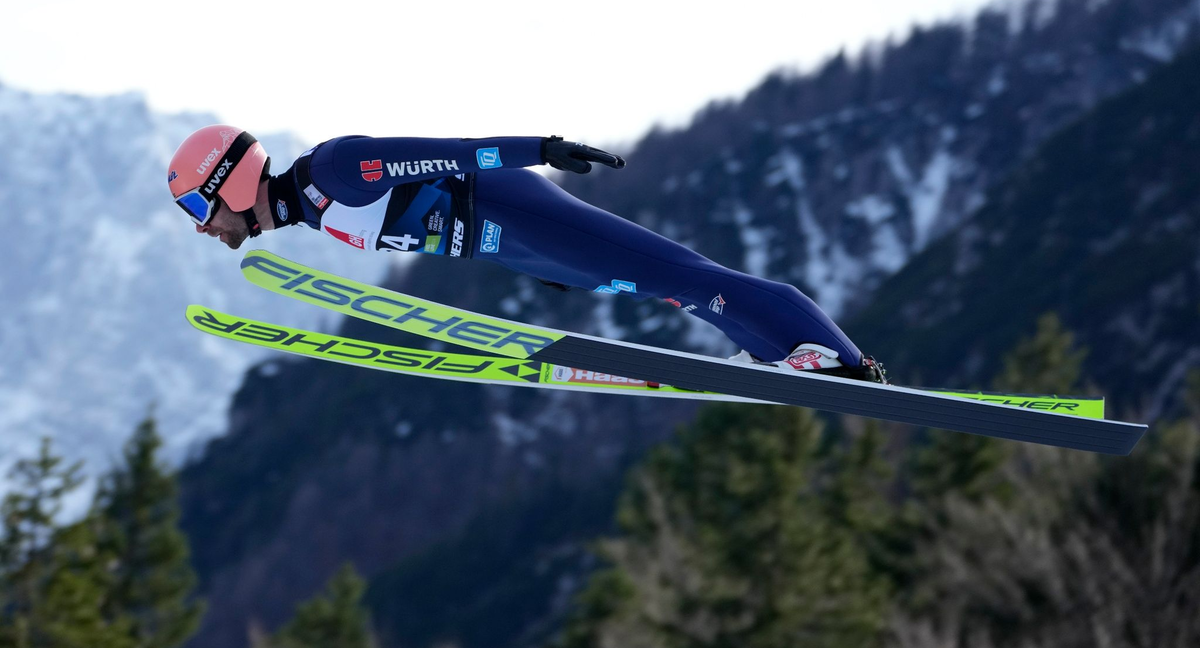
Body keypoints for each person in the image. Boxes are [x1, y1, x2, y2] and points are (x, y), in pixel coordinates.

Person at [168, 125, 886, 382]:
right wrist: (538, 268)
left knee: (682, 276)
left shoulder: (332, 170)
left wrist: (540, 148)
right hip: (517, 245)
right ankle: (786, 356)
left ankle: (834, 357)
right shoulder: (315, 210)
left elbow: (449, 155)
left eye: (200, 206)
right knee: (671, 288)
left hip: (513, 208)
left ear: (229, 181)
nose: (204, 226)